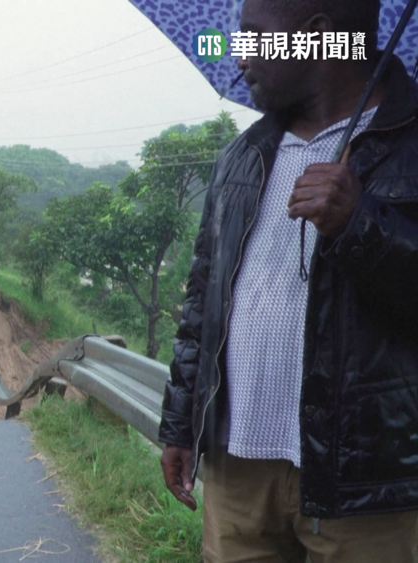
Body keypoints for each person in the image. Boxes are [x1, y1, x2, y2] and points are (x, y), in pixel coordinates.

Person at [158, 1, 418, 560]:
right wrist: (180, 426)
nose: (239, 54)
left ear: (317, 37)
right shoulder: (242, 156)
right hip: (238, 467)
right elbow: (201, 304)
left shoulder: (410, 146)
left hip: (368, 483)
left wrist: (359, 225)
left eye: (253, 36)